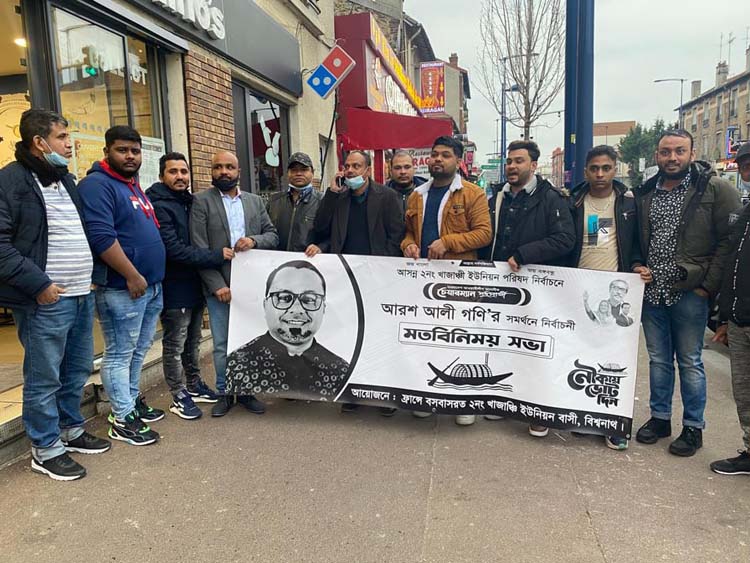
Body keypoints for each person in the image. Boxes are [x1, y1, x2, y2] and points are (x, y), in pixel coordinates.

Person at [0, 109, 110, 480]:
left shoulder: (65, 180)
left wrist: (93, 276)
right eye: (62, 137)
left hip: (80, 294)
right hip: (45, 300)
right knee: (44, 377)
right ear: (39, 142)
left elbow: (82, 232)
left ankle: (70, 430)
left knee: (76, 369)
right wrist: (40, 285)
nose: (69, 144)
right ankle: (45, 448)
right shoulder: (10, 182)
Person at [633, 129, 741, 457]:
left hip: (691, 292)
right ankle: (660, 418)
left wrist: (707, 287)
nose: (672, 158)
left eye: (679, 151)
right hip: (652, 292)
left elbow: (729, 241)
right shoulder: (646, 192)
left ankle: (693, 427)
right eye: (666, 152)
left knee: (690, 362)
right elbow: (637, 238)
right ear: (657, 155)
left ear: (692, 154)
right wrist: (637, 264)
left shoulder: (714, 189)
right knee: (658, 360)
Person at [482, 139, 576, 438]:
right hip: (501, 287)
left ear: (533, 165)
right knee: (501, 345)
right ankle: (501, 401)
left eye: (519, 161)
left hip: (537, 291)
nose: (512, 166)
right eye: (509, 161)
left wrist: (525, 254)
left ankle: (538, 410)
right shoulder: (497, 197)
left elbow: (565, 239)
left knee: (534, 351)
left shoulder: (551, 199)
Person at [78, 125, 165, 447]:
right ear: (107, 152)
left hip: (149, 286)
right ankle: (122, 418)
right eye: (122, 150)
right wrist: (131, 274)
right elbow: (101, 237)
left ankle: (130, 401)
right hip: (123, 287)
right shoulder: (97, 185)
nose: (130, 156)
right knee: (119, 354)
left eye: (135, 151)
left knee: (138, 350)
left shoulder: (131, 185)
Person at [401, 136, 492, 426]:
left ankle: (463, 402)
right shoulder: (417, 195)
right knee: (428, 338)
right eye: (434, 154)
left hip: (460, 278)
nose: (438, 159)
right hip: (424, 280)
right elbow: (409, 232)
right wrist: (408, 244)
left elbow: (484, 233)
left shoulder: (472, 194)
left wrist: (448, 242)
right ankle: (427, 395)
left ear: (458, 161)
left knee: (461, 339)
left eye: (445, 155)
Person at [307, 150, 405, 415]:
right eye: (347, 166)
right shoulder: (339, 198)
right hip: (346, 280)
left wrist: (380, 267)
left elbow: (396, 236)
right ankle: (354, 391)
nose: (350, 170)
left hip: (378, 279)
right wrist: (331, 194)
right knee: (351, 337)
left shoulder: (387, 197)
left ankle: (384, 394)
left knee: (380, 336)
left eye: (356, 166)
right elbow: (321, 228)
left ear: (368, 170)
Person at [191, 150, 279, 417]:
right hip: (219, 287)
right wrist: (217, 285)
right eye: (218, 167)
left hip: (251, 287)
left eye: (229, 167)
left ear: (239, 171)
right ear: (211, 171)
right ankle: (225, 391)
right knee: (222, 343)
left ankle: (247, 390)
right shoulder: (201, 202)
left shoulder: (254, 201)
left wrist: (253, 240)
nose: (223, 171)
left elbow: (272, 235)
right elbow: (199, 247)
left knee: (249, 340)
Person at [146, 153, 233, 420]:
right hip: (175, 286)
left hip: (194, 285)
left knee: (193, 341)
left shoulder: (188, 201)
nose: (180, 176)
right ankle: (178, 394)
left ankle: (194, 385)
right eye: (173, 172)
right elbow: (174, 249)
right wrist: (216, 255)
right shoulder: (159, 205)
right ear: (162, 176)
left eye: (184, 171)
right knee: (175, 343)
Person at [225, 260, 349, 399]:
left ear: (323, 308)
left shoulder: (341, 371)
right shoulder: (237, 365)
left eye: (309, 299)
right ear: (265, 305)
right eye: (284, 298)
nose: (297, 310)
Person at [710, 141, 750, 475]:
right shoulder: (744, 214)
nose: (748, 171)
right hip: (738, 319)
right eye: (745, 165)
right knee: (744, 393)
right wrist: (724, 318)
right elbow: (733, 266)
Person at [266, 152, 323, 252]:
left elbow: (332, 235)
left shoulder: (322, 201)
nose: (298, 173)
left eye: (304, 170)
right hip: (277, 259)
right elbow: (265, 230)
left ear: (312, 172)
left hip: (308, 260)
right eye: (294, 170)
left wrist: (321, 247)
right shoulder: (273, 201)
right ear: (287, 173)